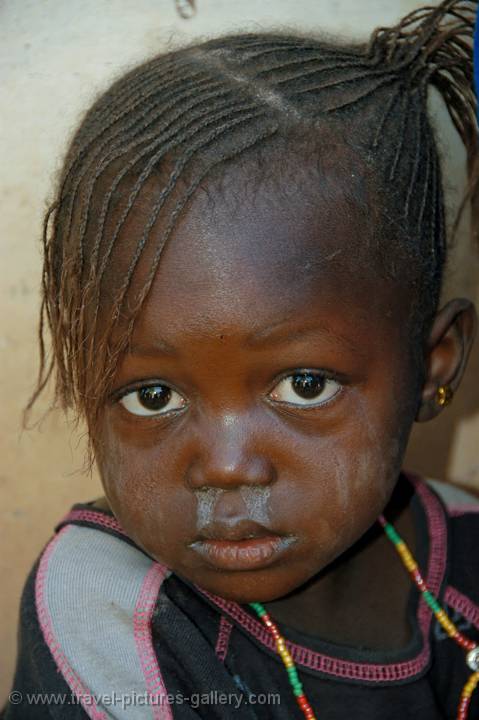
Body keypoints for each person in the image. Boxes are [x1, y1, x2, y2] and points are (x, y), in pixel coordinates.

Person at [3, 0, 479, 718]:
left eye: (304, 383)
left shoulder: (468, 554)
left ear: (433, 363)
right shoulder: (101, 605)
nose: (226, 467)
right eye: (153, 395)